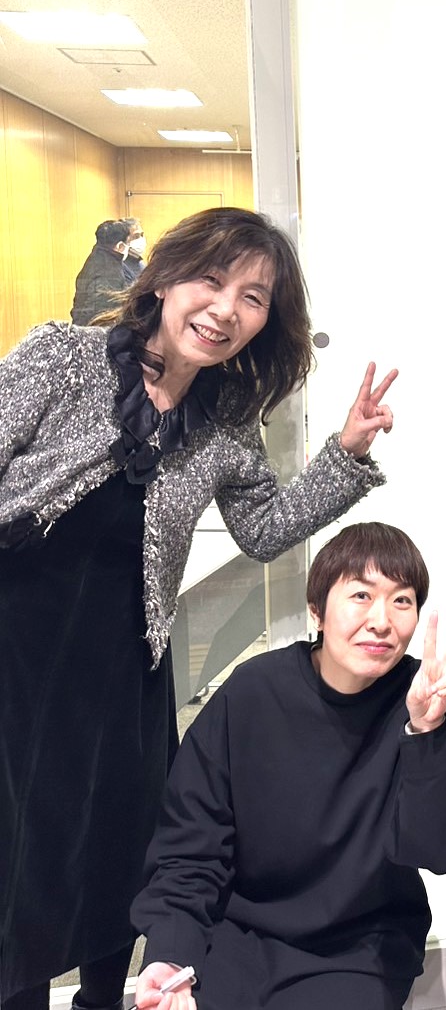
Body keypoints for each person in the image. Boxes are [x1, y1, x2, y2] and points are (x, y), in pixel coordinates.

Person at [0, 207, 398, 1010]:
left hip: (126, 668)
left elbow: (263, 531)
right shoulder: (63, 355)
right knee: (20, 853)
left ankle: (107, 1000)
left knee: (120, 847)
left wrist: (347, 452)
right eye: (211, 280)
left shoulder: (225, 419)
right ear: (165, 278)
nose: (225, 309)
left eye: (253, 297)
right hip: (16, 653)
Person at [130, 521, 446, 1010]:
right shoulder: (252, 694)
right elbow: (191, 846)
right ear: (316, 610)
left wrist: (426, 731)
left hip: (360, 945)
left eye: (402, 600)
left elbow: (444, 851)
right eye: (361, 595)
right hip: (240, 935)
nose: (381, 620)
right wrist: (171, 953)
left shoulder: (419, 699)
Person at [72, 219, 130, 324]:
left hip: (81, 326)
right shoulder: (110, 271)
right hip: (96, 329)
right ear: (120, 246)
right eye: (128, 243)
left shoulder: (93, 260)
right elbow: (104, 313)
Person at [120, 217, 147, 285]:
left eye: (142, 235)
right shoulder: (119, 268)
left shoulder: (141, 263)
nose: (141, 239)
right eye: (136, 236)